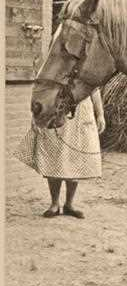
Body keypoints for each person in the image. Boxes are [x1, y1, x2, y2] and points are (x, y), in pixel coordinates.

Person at [15, 89, 106, 219]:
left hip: (81, 114)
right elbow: (41, 90)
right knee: (54, 155)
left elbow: (94, 89)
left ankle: (69, 204)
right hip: (55, 110)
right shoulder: (53, 67)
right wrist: (35, 116)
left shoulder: (89, 68)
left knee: (75, 158)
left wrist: (100, 114)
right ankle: (54, 204)